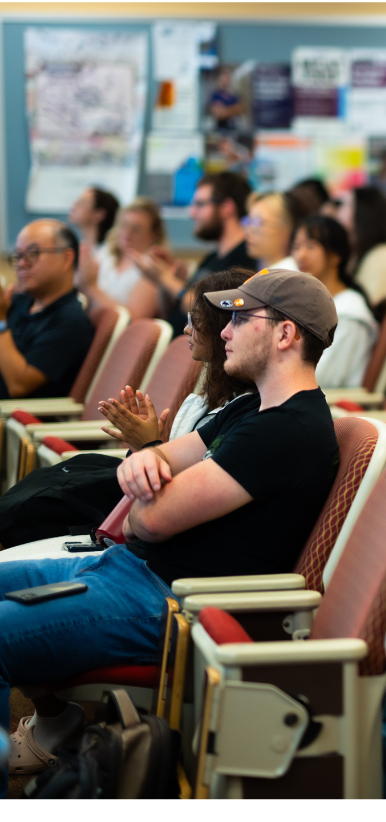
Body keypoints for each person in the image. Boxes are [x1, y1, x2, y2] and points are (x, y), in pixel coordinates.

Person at [1, 268, 340, 778]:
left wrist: (146, 479)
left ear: (285, 334)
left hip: (165, 601)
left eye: (241, 318)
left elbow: (148, 519)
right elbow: (141, 465)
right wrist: (143, 464)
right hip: (126, 569)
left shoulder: (289, 431)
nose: (224, 329)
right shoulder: (249, 410)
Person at [96, 268, 256, 450]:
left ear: (222, 325)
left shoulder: (246, 410)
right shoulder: (205, 399)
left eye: (195, 319)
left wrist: (148, 446)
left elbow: (193, 476)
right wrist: (142, 446)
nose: (187, 329)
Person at [129, 172, 253, 336]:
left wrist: (167, 279)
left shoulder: (245, 258)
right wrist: (166, 277)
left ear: (226, 207)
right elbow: (172, 310)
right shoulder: (211, 258)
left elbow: (211, 311)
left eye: (200, 205)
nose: (192, 213)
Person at [0, 220, 93, 401]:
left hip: (17, 421)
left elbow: (18, 385)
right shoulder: (18, 302)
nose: (21, 264)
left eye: (32, 254)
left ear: (66, 258)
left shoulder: (71, 321)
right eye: (18, 256)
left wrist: (1, 321)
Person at [291, 215, 378, 389]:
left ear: (336, 255)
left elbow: (321, 379)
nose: (301, 255)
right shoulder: (307, 304)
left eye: (311, 246)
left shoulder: (350, 314)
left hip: (332, 408)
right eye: (296, 246)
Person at [77, 197, 166, 319]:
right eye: (124, 225)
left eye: (136, 229)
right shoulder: (104, 254)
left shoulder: (152, 267)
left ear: (153, 235)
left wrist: (92, 287)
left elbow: (134, 320)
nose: (127, 232)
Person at [336, 186, 386, 310]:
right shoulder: (363, 254)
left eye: (346, 205)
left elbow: (367, 309)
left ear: (363, 213)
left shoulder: (383, 259)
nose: (338, 211)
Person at [245, 191, 301, 271]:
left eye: (259, 222)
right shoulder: (264, 272)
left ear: (285, 230)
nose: (249, 230)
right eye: (249, 221)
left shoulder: (288, 275)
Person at [67, 186, 119, 262]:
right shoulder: (78, 250)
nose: (74, 205)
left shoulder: (108, 257)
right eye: (77, 201)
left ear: (99, 214)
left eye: (82, 203)